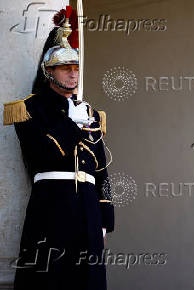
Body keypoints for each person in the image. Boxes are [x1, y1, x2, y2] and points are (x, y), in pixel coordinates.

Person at [3, 7, 114, 290]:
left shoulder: (89, 111)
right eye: (65, 68)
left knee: (89, 281)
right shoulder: (29, 108)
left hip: (88, 207)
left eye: (76, 68)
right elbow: (40, 154)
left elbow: (101, 170)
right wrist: (71, 126)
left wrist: (105, 219)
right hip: (52, 203)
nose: (73, 74)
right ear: (48, 71)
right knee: (50, 278)